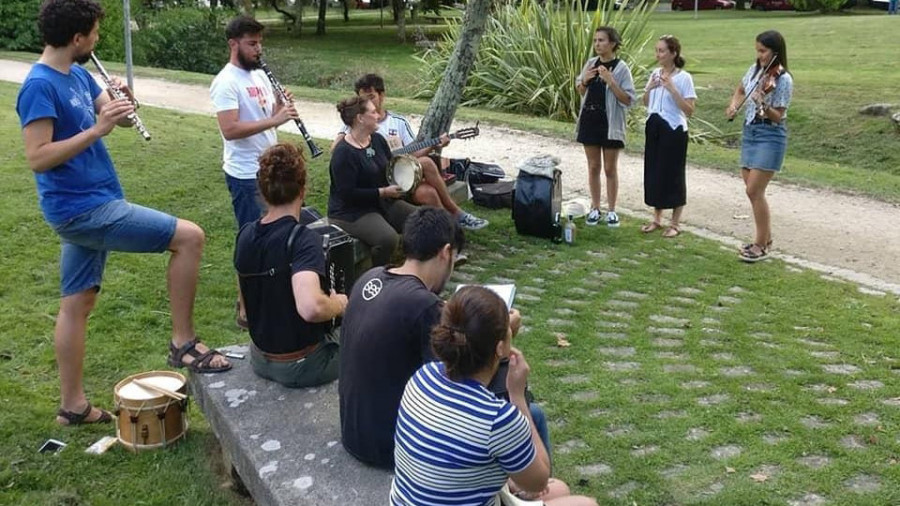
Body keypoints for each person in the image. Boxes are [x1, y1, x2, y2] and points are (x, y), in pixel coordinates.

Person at [16, 0, 229, 426]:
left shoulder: (76, 73)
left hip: (91, 200)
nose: (97, 40)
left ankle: (72, 407)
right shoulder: (39, 86)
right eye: (94, 33)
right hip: (82, 209)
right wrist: (97, 129)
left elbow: (123, 120)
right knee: (190, 237)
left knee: (78, 302)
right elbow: (37, 157)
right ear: (77, 38)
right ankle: (183, 342)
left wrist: (122, 104)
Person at [390, 287, 597, 506]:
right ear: (500, 348)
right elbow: (538, 482)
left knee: (560, 489)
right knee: (586, 504)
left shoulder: (423, 376)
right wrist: (517, 396)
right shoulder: (498, 419)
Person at [210, 15, 299, 329]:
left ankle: (273, 293)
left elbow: (266, 115)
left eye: (259, 42)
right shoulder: (225, 82)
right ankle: (245, 308)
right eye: (251, 43)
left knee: (277, 235)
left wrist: (279, 107)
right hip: (245, 174)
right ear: (233, 44)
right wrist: (276, 120)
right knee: (251, 239)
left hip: (267, 169)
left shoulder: (258, 75)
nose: (258, 49)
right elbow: (230, 129)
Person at [233, 143, 347, 387]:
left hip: (260, 359)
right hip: (303, 366)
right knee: (369, 340)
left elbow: (243, 315)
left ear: (262, 192)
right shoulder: (303, 239)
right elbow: (311, 308)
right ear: (302, 190)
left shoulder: (245, 235)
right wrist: (338, 304)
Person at [331, 74, 488, 231]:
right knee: (428, 193)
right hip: (378, 181)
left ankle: (451, 225)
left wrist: (434, 146)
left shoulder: (397, 122)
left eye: (371, 97)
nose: (368, 102)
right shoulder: (354, 126)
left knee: (426, 166)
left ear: (382, 95)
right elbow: (337, 151)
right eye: (363, 99)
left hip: (399, 172)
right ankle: (451, 225)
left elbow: (412, 153)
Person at [726, 30, 793, 263]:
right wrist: (734, 105)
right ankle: (766, 238)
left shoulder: (783, 79)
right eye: (758, 50)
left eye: (763, 51)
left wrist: (763, 102)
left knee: (754, 190)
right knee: (753, 192)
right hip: (750, 132)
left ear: (776, 52)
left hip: (770, 134)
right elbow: (741, 89)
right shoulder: (755, 70)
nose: (760, 55)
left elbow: (778, 116)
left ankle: (760, 245)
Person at [328, 96, 418, 266]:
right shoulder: (343, 153)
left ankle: (416, 265)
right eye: (373, 112)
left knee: (422, 218)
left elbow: (390, 168)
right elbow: (347, 194)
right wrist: (382, 192)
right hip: (350, 212)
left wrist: (405, 179)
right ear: (360, 118)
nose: (378, 115)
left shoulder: (377, 140)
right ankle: (376, 279)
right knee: (387, 238)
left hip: (381, 203)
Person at [575, 26, 635, 228]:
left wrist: (611, 82)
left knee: (610, 168)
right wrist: (585, 80)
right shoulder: (591, 63)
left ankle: (612, 210)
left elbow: (628, 99)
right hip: (590, 120)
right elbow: (580, 89)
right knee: (593, 167)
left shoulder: (621, 68)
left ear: (612, 44)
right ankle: (595, 208)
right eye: (595, 41)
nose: (597, 44)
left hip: (611, 125)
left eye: (601, 40)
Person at [641, 35, 697, 238]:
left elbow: (689, 110)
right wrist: (650, 88)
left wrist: (672, 89)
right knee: (654, 172)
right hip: (654, 126)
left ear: (673, 53)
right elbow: (646, 102)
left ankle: (675, 223)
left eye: (662, 51)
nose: (658, 55)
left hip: (673, 129)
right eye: (656, 50)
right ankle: (656, 218)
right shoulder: (655, 73)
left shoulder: (684, 78)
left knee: (673, 174)